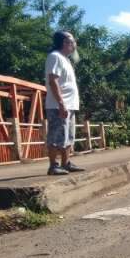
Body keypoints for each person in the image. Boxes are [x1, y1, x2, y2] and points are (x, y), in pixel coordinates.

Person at [44, 31, 85, 175]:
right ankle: (53, 166)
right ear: (64, 43)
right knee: (56, 135)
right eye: (72, 41)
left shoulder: (65, 59)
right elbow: (53, 81)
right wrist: (61, 103)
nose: (75, 45)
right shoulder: (54, 57)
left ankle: (66, 163)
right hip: (58, 105)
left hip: (70, 104)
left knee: (69, 135)